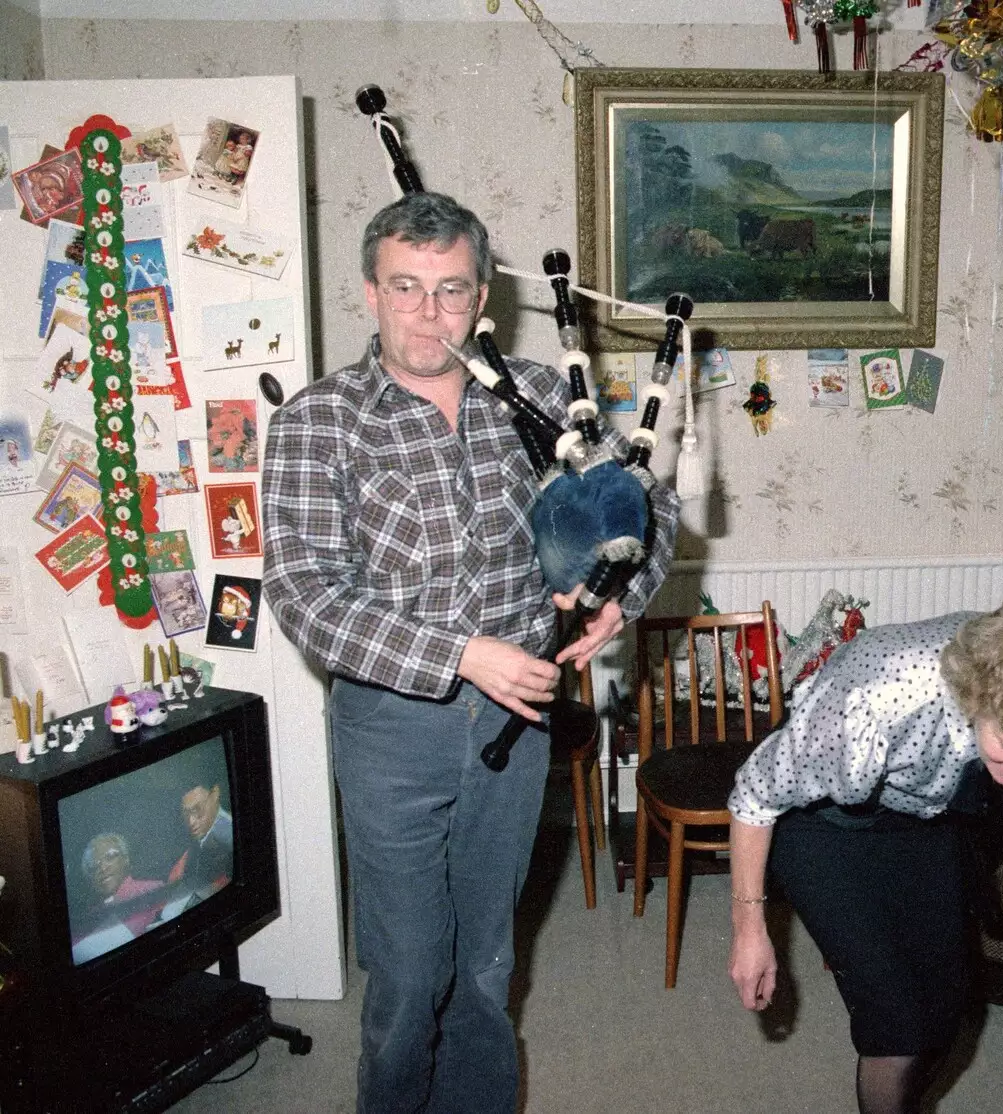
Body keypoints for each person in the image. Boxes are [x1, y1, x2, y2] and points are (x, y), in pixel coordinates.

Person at [262, 190, 678, 1114]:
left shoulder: (536, 398)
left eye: (451, 290)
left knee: (488, 960)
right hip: (389, 729)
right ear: (369, 293)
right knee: (411, 973)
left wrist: (620, 596)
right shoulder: (316, 423)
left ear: (483, 296)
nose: (429, 312)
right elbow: (304, 596)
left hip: (514, 724)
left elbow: (647, 509)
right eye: (406, 288)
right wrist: (461, 653)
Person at [727, 584, 1003, 1114]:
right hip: (821, 823)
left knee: (949, 1006)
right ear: (979, 695)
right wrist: (750, 930)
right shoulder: (880, 698)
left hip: (918, 813)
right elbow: (753, 796)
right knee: (898, 1027)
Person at [73, 833, 168, 962]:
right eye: (94, 866)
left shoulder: (153, 890)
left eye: (110, 857)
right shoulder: (88, 920)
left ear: (126, 859)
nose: (102, 868)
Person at [167, 779, 234, 898]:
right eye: (186, 813)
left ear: (215, 793)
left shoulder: (226, 832)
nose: (191, 822)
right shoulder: (195, 846)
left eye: (197, 809)